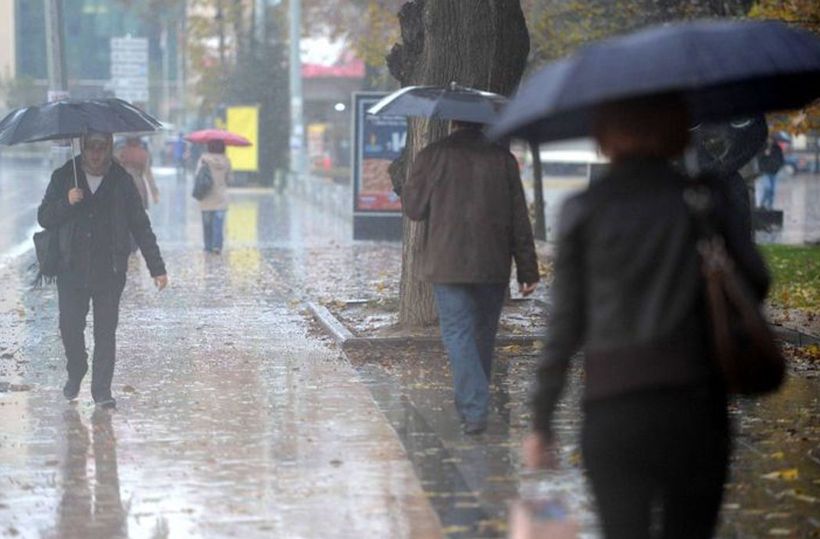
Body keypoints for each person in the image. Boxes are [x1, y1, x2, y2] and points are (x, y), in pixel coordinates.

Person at [522, 96, 770, 539]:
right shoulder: (704, 199)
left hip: (614, 408)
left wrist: (541, 419)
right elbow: (755, 283)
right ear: (678, 132)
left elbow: (564, 326)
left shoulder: (585, 208)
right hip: (695, 405)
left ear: (605, 135)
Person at [403, 120, 539, 435]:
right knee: (481, 336)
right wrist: (527, 269)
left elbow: (414, 209)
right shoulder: (502, 158)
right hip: (493, 263)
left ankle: (475, 407)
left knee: (458, 333)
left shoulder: (433, 155)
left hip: (447, 263)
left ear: (452, 122)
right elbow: (520, 217)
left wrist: (414, 176)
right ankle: (474, 405)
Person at [38, 132, 168, 409]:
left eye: (102, 147)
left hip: (109, 271)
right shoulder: (65, 176)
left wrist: (156, 267)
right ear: (83, 147)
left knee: (105, 332)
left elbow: (140, 225)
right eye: (91, 147)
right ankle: (77, 369)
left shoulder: (121, 180)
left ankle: (102, 391)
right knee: (70, 328)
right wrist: (67, 202)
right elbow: (44, 217)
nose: (96, 152)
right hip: (71, 270)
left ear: (109, 147)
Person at [195, 140, 232, 254]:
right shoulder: (226, 161)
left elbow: (198, 176)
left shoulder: (203, 160)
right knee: (218, 225)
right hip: (221, 198)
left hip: (206, 198)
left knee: (207, 226)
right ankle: (217, 246)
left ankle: (208, 246)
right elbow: (229, 180)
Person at [116, 135, 159, 210]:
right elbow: (148, 173)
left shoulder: (122, 151)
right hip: (139, 184)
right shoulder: (143, 153)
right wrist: (154, 192)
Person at [757, 135, 784, 210]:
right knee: (767, 188)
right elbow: (758, 158)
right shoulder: (763, 147)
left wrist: (777, 167)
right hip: (765, 171)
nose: (770, 140)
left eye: (771, 139)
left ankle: (770, 206)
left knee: (772, 190)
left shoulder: (777, 148)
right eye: (769, 138)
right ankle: (762, 203)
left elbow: (781, 159)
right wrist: (764, 154)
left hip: (773, 172)